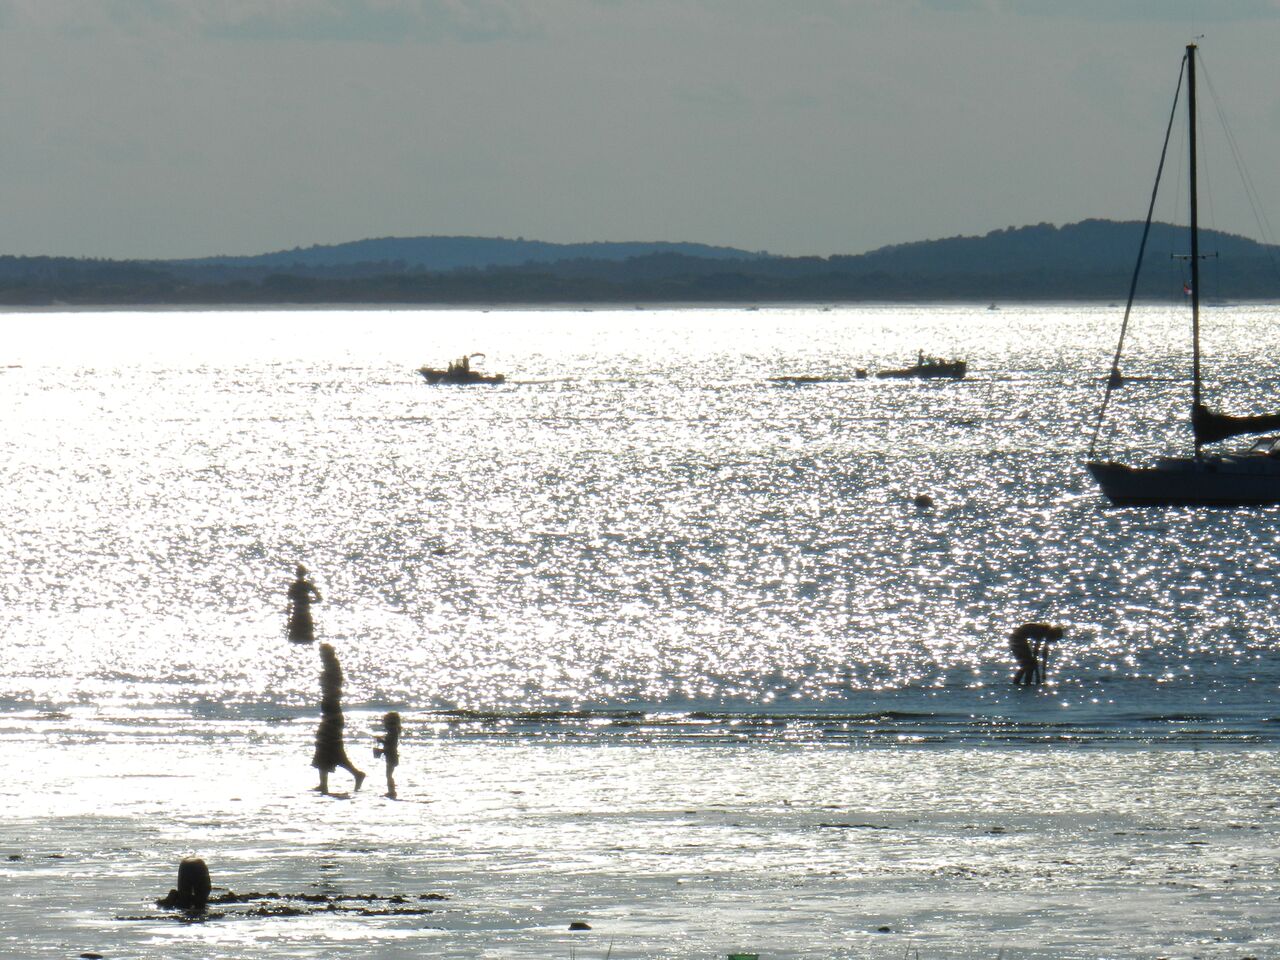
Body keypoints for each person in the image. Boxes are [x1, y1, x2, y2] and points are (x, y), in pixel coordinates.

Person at [312, 643, 365, 794]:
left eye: (323, 654)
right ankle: (326, 783)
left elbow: (332, 692)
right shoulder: (332, 670)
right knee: (328, 748)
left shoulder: (333, 671)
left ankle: (353, 775)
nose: (321, 657)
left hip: (332, 715)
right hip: (330, 714)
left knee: (326, 747)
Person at [287, 565, 322, 643]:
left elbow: (289, 602)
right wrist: (309, 601)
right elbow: (319, 599)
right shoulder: (307, 585)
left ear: (297, 574)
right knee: (307, 637)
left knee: (294, 638)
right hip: (305, 613)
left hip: (296, 614)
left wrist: (288, 618)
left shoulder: (294, 586)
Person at [374, 711, 402, 799]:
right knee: (389, 775)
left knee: (389, 775)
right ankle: (391, 791)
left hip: (392, 757)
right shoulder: (393, 733)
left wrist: (381, 742)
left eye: (390, 723)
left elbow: (390, 746)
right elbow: (389, 746)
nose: (387, 725)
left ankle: (392, 791)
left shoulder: (393, 733)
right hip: (391, 756)